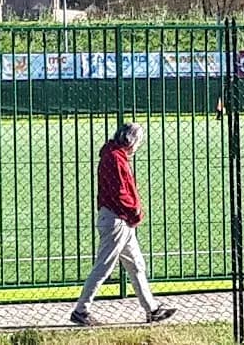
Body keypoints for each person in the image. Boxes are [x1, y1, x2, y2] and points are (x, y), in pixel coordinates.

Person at [71, 123, 177, 326]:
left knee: (136, 264)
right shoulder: (115, 159)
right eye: (138, 142)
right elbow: (120, 193)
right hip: (116, 220)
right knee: (104, 267)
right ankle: (81, 309)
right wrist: (134, 211)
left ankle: (151, 309)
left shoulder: (113, 155)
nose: (138, 146)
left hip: (119, 219)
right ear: (131, 141)